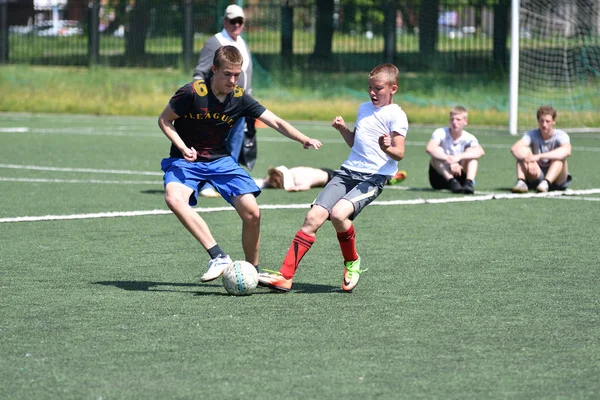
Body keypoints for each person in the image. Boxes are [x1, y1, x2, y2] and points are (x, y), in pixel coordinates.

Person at [158, 46, 322, 283]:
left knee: (252, 212)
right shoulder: (191, 93)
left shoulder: (239, 98)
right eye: (227, 74)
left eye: (237, 75)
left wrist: (302, 138)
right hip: (186, 160)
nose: (233, 80)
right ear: (214, 70)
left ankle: (252, 270)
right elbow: (164, 120)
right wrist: (182, 146)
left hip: (220, 160)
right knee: (173, 198)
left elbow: (273, 120)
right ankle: (218, 256)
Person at [258, 63, 408, 292]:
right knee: (313, 217)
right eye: (370, 87)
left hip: (374, 177)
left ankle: (352, 261)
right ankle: (285, 276)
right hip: (348, 171)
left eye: (378, 88)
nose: (372, 92)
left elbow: (399, 153)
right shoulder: (364, 109)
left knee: (338, 215)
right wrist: (343, 130)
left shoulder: (397, 115)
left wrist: (387, 147)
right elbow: (355, 143)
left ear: (393, 88)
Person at [193, 4, 255, 197]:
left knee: (235, 144)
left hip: (238, 104)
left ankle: (228, 181)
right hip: (217, 104)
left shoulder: (242, 43)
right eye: (232, 21)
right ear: (224, 21)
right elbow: (199, 73)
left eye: (240, 21)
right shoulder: (215, 42)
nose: (236, 25)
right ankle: (207, 184)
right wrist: (200, 100)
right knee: (213, 145)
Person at [510, 106, 572, 193]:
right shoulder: (532, 134)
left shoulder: (561, 135)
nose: (544, 125)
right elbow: (515, 148)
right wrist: (529, 159)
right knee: (523, 153)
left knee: (560, 159)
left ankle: (546, 183)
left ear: (554, 121)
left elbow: (567, 151)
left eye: (547, 121)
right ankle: (521, 182)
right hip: (537, 175)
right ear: (538, 121)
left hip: (558, 179)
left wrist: (538, 157)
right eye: (541, 121)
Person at [425, 106, 485, 194]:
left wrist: (459, 157)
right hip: (440, 178)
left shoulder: (469, 137)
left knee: (472, 155)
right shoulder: (441, 132)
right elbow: (429, 148)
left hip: (460, 175)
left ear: (465, 121)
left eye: (458, 119)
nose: (454, 122)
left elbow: (481, 151)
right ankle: (451, 181)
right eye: (452, 119)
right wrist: (450, 160)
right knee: (436, 153)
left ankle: (469, 183)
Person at [255, 166, 407, 191]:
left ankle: (387, 178)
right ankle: (385, 177)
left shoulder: (300, 177)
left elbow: (305, 185)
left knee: (361, 181)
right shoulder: (292, 171)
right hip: (327, 172)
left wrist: (296, 188)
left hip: (332, 177)